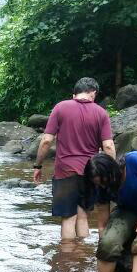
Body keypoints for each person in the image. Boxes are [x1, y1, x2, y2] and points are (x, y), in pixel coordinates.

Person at [34, 77, 117, 240]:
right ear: (93, 92)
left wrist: (38, 165)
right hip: (90, 172)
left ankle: (68, 260)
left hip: (65, 171)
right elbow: (108, 146)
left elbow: (46, 141)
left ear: (75, 94)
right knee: (83, 215)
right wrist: (111, 173)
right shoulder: (101, 113)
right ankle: (82, 257)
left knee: (68, 217)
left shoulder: (60, 108)